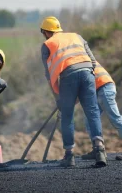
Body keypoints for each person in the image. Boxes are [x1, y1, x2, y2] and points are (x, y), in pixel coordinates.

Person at [40, 16, 107, 167]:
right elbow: (93, 61)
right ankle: (100, 150)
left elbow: (49, 75)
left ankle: (69, 156)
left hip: (68, 77)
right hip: (87, 74)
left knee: (67, 115)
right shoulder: (77, 36)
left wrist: (58, 98)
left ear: (45, 32)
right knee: (92, 111)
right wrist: (86, 78)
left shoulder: (47, 44)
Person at [81, 60, 122, 160]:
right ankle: (97, 149)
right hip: (100, 88)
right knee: (89, 120)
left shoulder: (79, 63)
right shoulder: (81, 58)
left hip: (104, 87)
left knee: (115, 118)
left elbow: (79, 90)